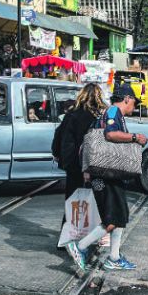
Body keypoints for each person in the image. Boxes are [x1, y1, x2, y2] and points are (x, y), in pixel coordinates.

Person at [65, 84, 148, 273]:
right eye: (134, 102)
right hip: (105, 174)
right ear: (127, 99)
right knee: (112, 219)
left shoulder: (111, 114)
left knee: (120, 216)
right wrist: (135, 137)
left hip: (109, 172)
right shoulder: (112, 112)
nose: (134, 106)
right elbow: (110, 134)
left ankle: (114, 257)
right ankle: (80, 246)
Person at [54, 83, 106, 226]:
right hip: (89, 163)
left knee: (72, 197)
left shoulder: (72, 113)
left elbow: (59, 133)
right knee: (93, 198)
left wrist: (57, 153)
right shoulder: (97, 116)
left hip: (71, 162)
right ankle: (87, 230)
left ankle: (67, 231)